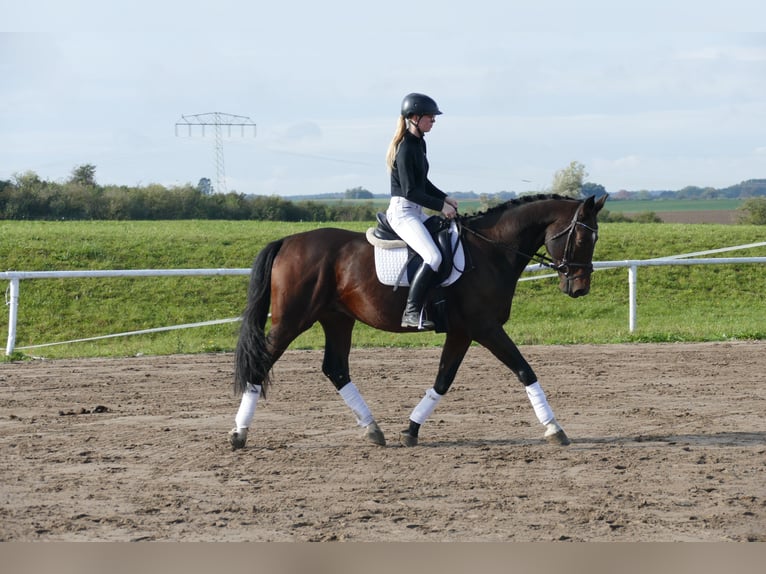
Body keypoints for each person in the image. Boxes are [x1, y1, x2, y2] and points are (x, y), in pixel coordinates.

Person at [385, 92, 458, 330]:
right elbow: (410, 191)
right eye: (430, 117)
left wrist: (444, 196)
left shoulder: (419, 143)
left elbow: (423, 183)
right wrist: (440, 206)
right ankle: (411, 311)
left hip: (415, 211)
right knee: (433, 257)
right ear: (414, 117)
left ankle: (439, 304)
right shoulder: (405, 148)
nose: (434, 121)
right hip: (403, 212)